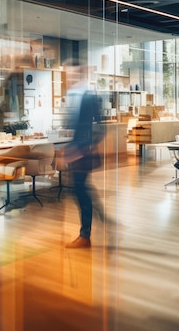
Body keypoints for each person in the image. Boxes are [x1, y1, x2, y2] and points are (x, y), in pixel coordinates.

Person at [62, 60, 105, 249]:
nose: (69, 77)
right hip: (73, 150)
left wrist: (80, 149)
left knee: (79, 189)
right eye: (67, 74)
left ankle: (85, 235)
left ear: (79, 74)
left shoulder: (88, 96)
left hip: (82, 152)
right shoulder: (71, 96)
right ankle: (99, 215)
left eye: (72, 74)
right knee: (80, 189)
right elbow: (73, 126)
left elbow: (100, 127)